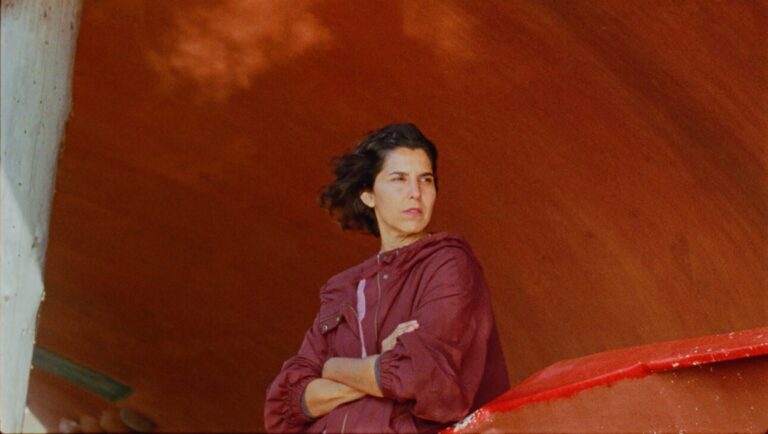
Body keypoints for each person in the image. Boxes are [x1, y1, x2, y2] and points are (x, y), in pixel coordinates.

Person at [264, 123, 509, 433]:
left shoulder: (448, 263)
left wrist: (334, 368)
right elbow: (288, 399)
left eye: (426, 180)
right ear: (368, 194)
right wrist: (376, 368)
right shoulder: (343, 289)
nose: (415, 193)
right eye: (399, 179)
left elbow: (425, 379)